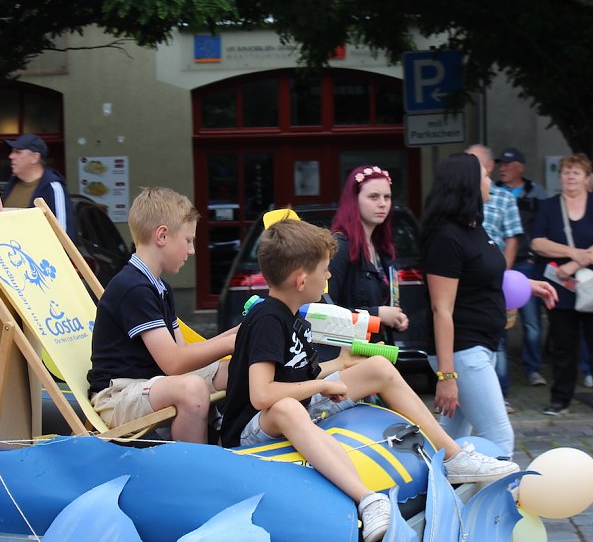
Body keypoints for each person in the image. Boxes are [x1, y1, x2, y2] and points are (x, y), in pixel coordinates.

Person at [221, 218, 520, 542]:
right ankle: (368, 500)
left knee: (377, 367)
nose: (330, 275)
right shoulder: (267, 318)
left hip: (292, 405)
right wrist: (323, 386)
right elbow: (262, 395)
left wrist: (342, 363)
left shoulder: (295, 318)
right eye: (325, 269)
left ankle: (452, 456)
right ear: (301, 279)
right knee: (287, 409)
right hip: (251, 432)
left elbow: (298, 374)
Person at [420, 153, 557, 456]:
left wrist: (529, 286)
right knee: (499, 437)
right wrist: (446, 376)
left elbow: (485, 275)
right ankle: (492, 503)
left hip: (480, 347)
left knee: (449, 446)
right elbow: (441, 309)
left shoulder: (474, 228)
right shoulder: (446, 238)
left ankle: (436, 501)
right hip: (462, 354)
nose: (490, 181)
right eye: (484, 175)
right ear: (467, 183)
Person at [88, 187, 236, 443]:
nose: (192, 251)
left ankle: (241, 443)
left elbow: (183, 352)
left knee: (236, 368)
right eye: (188, 240)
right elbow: (175, 363)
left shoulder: (159, 286)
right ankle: (189, 475)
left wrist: (240, 333)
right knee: (191, 388)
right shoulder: (133, 287)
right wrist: (231, 341)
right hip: (117, 395)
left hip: (151, 385)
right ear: (163, 236)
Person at [531, 153, 593, 416]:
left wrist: (574, 264)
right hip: (560, 289)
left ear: (586, 178)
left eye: (576, 172)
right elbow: (538, 243)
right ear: (560, 177)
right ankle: (560, 400)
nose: (570, 177)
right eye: (567, 172)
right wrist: (573, 252)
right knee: (563, 346)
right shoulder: (548, 206)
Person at [466, 145, 523, 412]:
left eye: (473, 161)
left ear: (487, 166)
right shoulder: (461, 202)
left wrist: (503, 273)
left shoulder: (503, 199)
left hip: (494, 276)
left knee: (497, 336)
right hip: (469, 279)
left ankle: (501, 393)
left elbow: (512, 239)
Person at [328, 165, 409, 340]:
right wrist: (377, 314)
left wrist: (395, 318)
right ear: (354, 200)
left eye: (387, 197)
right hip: (349, 356)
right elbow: (323, 311)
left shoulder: (383, 249)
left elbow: (388, 303)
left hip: (379, 350)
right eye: (373, 197)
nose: (382, 203)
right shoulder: (340, 247)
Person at [496, 147, 549, 387]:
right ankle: (501, 378)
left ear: (520, 167)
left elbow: (543, 227)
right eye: (501, 165)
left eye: (508, 164)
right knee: (500, 324)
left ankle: (532, 369)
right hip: (498, 266)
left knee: (532, 322)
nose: (502, 168)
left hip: (525, 266)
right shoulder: (492, 192)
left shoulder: (536, 193)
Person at [2, 133, 76, 239]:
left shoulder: (53, 187)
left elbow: (64, 235)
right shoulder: (12, 183)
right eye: (12, 152)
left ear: (34, 158)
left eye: (17, 152)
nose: (11, 156)